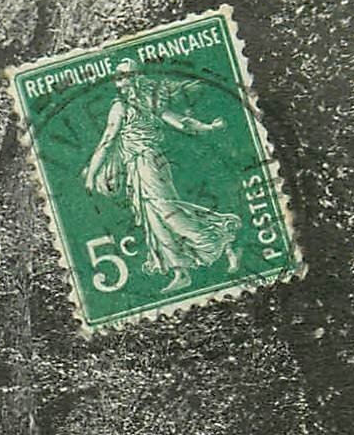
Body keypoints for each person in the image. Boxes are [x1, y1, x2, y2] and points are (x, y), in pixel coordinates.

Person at [83, 58, 243, 295]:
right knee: (154, 217)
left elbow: (108, 141)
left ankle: (222, 241)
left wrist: (91, 175)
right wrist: (208, 127)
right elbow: (180, 122)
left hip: (147, 163)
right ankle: (181, 271)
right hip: (143, 164)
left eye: (125, 75)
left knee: (168, 213)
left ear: (136, 77)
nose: (121, 80)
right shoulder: (144, 102)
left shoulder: (126, 106)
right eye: (118, 76)